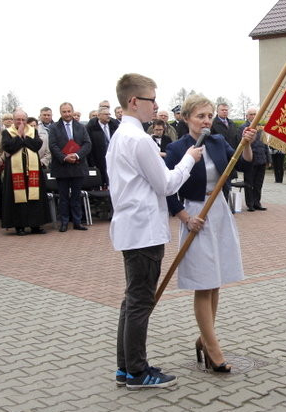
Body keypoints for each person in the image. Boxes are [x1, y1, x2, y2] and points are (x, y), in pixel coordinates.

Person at [108, 73, 203, 390]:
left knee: (132, 299)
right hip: (144, 230)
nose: (156, 105)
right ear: (134, 101)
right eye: (151, 99)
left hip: (131, 226)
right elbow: (166, 184)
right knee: (140, 301)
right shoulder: (139, 139)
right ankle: (137, 371)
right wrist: (188, 159)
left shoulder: (121, 136)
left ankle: (126, 367)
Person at [165, 94, 256, 374]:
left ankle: (205, 338)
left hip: (219, 211)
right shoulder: (177, 148)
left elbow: (242, 164)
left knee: (215, 282)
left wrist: (247, 145)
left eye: (209, 116)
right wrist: (185, 217)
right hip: (195, 214)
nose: (206, 121)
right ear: (186, 118)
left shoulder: (217, 141)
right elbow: (167, 189)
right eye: (200, 116)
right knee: (204, 282)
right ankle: (213, 348)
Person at [0, 110, 50, 235]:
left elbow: (37, 145)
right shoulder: (7, 132)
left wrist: (24, 137)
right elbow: (8, 147)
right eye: (18, 119)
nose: (21, 122)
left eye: (23, 120)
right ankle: (19, 226)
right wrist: (19, 136)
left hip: (32, 170)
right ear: (13, 120)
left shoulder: (33, 131)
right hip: (15, 170)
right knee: (18, 198)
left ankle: (35, 225)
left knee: (34, 196)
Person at [49, 102, 92, 232]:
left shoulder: (81, 127)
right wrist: (64, 157)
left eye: (69, 111)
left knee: (76, 196)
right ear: (60, 113)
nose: (67, 114)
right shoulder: (54, 127)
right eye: (64, 112)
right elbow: (53, 145)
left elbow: (87, 144)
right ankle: (64, 222)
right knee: (63, 197)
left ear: (72, 111)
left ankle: (77, 222)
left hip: (78, 166)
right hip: (62, 167)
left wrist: (77, 155)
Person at [241, 107, 270, 211]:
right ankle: (250, 204)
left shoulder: (261, 128)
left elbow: (265, 144)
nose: (253, 116)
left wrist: (268, 159)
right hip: (250, 160)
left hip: (261, 159)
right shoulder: (243, 128)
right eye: (251, 114)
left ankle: (257, 203)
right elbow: (242, 144)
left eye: (255, 114)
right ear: (247, 116)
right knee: (249, 183)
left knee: (258, 184)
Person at [86, 105, 119, 188]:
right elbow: (89, 146)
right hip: (99, 159)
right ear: (99, 115)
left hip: (113, 158)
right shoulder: (91, 128)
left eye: (109, 114)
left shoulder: (114, 126)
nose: (108, 116)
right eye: (105, 114)